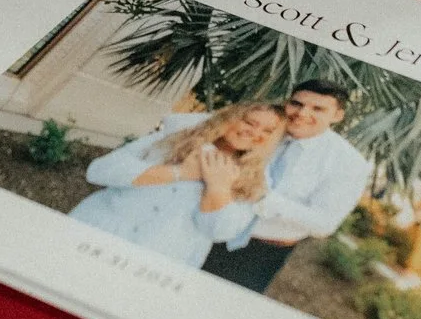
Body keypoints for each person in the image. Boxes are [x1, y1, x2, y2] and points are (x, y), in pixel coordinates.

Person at [203, 79, 373, 294]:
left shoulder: (348, 163)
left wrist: (264, 199)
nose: (302, 113)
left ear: (337, 115)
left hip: (257, 253)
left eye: (318, 108)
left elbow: (324, 223)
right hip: (208, 223)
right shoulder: (263, 128)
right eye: (297, 104)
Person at [68, 102, 288, 268]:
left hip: (158, 258)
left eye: (268, 131)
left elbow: (221, 231)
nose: (256, 133)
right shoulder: (175, 138)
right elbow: (99, 171)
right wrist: (180, 172)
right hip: (98, 230)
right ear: (229, 118)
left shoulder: (257, 180)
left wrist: (218, 189)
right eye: (250, 122)